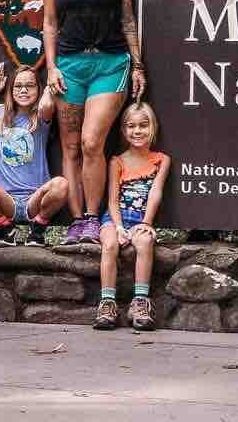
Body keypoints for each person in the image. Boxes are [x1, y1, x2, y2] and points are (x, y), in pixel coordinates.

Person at [43, 0, 145, 246]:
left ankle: (93, 214)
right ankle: (77, 222)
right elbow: (50, 24)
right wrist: (51, 69)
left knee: (91, 142)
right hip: (69, 65)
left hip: (110, 62)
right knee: (70, 147)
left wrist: (138, 64)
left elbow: (128, 18)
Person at [0, 61, 70, 247]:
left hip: (35, 198)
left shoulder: (41, 117)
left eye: (30, 85)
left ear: (38, 88)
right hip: (5, 200)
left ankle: (37, 229)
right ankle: (6, 229)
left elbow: (47, 105)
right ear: (10, 90)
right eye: (18, 86)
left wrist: (48, 90)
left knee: (62, 185)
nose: (24, 90)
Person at [94, 102, 171, 331]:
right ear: (124, 130)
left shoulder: (161, 160)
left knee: (145, 241)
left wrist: (146, 223)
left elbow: (156, 192)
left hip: (140, 218)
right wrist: (118, 227)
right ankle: (107, 302)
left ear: (152, 127)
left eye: (143, 126)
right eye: (131, 126)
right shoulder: (117, 161)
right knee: (109, 245)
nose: (137, 131)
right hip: (115, 218)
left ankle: (140, 301)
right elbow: (112, 200)